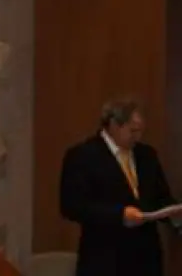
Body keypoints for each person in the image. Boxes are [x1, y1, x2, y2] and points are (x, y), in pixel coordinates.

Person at [59, 97, 181, 276]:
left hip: (147, 260)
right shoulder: (82, 156)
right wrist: (120, 215)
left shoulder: (147, 155)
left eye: (141, 131)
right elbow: (72, 206)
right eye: (133, 131)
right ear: (114, 125)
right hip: (104, 260)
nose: (138, 137)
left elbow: (160, 197)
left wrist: (175, 215)